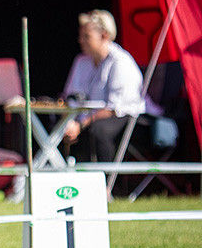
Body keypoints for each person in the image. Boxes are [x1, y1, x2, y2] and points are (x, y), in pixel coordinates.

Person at [61, 9, 145, 163]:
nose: (80, 40)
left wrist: (81, 124)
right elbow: (71, 96)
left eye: (86, 36)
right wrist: (69, 122)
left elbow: (115, 107)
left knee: (98, 130)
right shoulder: (81, 61)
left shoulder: (121, 61)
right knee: (60, 127)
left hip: (126, 117)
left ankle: (107, 182)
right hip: (89, 117)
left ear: (104, 36)